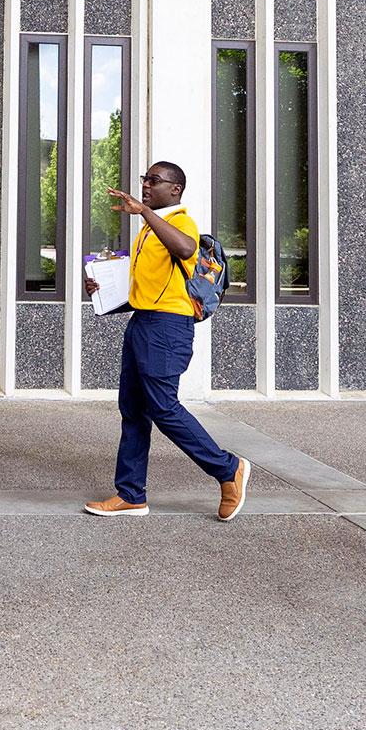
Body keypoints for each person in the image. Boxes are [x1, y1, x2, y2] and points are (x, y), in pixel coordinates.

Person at [83, 162, 250, 520]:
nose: (145, 185)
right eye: (144, 180)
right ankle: (130, 495)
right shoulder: (145, 233)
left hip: (168, 328)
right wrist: (100, 289)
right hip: (142, 322)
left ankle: (228, 468)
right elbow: (148, 288)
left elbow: (188, 250)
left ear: (175, 189)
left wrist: (143, 211)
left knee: (164, 407)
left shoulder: (179, 221)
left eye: (154, 181)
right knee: (133, 410)